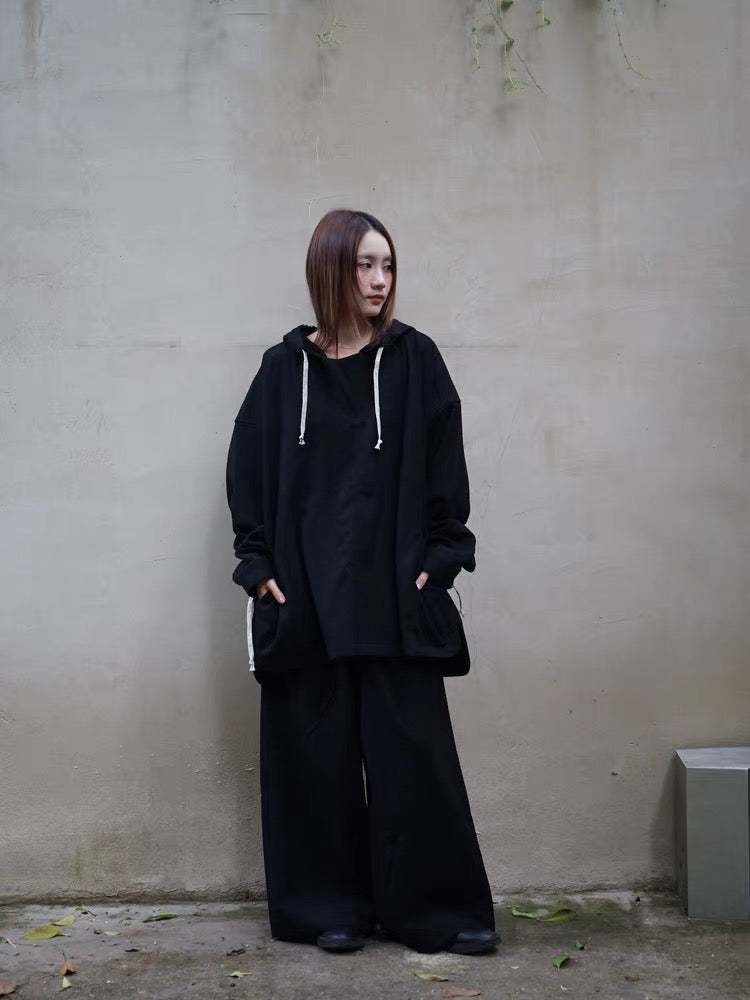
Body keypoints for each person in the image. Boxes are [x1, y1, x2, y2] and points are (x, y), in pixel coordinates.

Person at [226, 209, 498, 955]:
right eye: (365, 265)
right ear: (330, 269)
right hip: (306, 598)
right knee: (314, 761)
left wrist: (442, 556)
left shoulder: (414, 361)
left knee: (415, 761)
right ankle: (330, 908)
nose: (380, 280)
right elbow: (247, 472)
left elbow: (444, 463)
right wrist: (258, 568)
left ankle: (435, 911)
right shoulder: (282, 371)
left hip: (395, 596)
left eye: (388, 265)